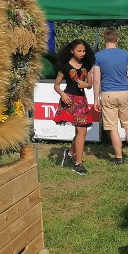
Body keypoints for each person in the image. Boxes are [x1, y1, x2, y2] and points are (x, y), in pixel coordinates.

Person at [93, 28, 128, 165]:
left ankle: (119, 157)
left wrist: (96, 99)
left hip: (108, 93)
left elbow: (96, 80)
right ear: (117, 39)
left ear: (104, 39)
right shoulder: (125, 54)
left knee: (113, 127)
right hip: (123, 92)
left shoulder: (98, 56)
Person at [53, 39, 95, 175]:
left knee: (81, 132)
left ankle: (70, 154)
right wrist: (62, 94)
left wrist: (86, 85)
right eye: (79, 51)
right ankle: (78, 163)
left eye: (84, 51)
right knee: (81, 132)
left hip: (82, 101)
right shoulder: (64, 67)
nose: (82, 53)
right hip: (69, 100)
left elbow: (90, 84)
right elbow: (56, 85)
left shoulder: (87, 65)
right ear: (72, 51)